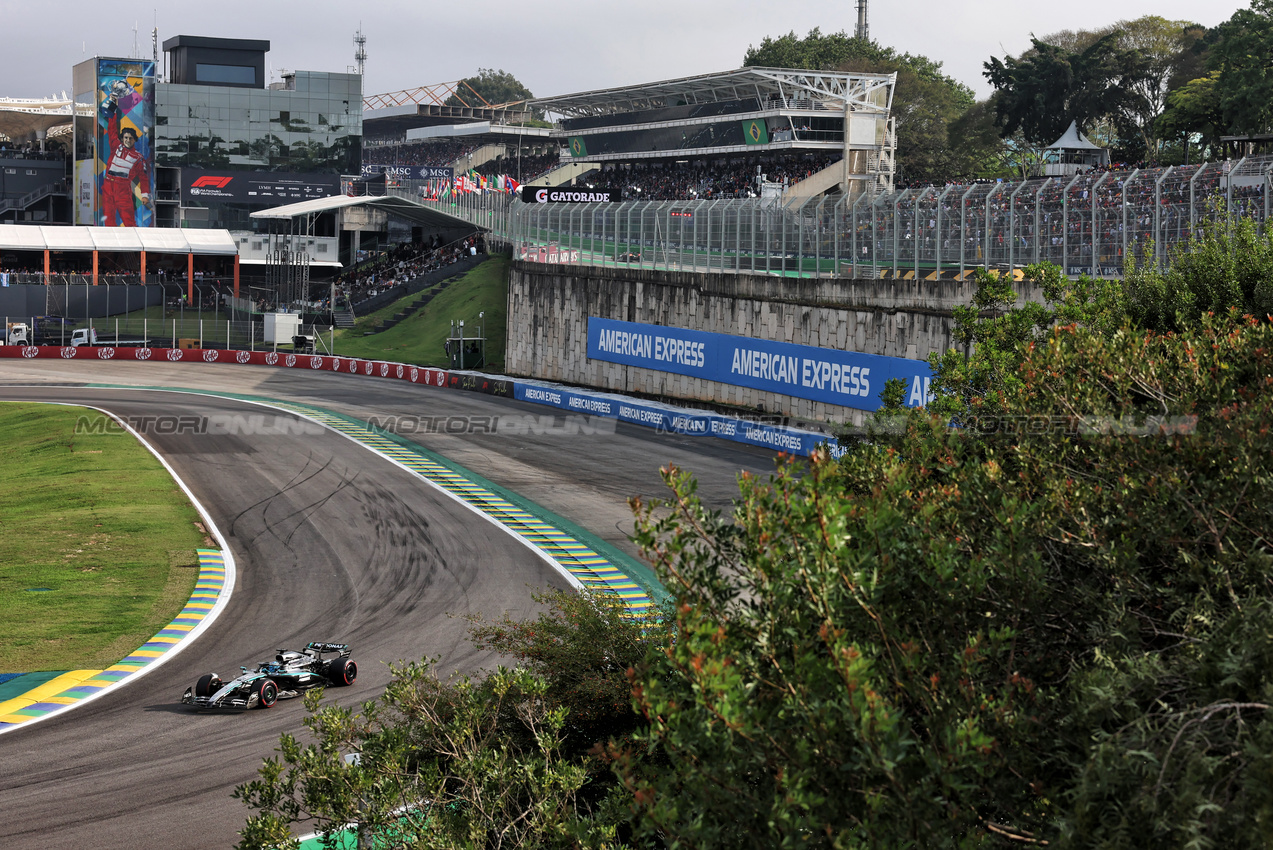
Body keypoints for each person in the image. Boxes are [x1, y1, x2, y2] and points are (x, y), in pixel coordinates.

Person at [101, 87, 151, 227]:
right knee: (109, 221)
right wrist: (114, 107)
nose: (127, 140)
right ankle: (109, 247)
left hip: (123, 189)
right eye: (125, 138)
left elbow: (143, 177)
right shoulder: (116, 145)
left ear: (134, 140)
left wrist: (145, 195)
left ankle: (134, 247)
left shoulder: (138, 157)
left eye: (130, 138)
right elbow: (112, 128)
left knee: (129, 221)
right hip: (108, 186)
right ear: (122, 139)